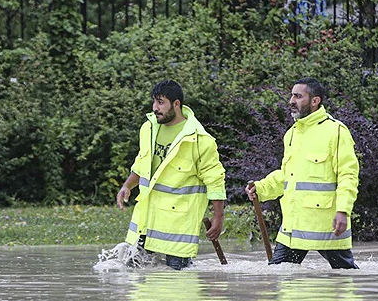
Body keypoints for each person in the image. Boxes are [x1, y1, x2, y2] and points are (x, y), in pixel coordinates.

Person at [245, 77, 360, 269]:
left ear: (315, 101)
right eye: (291, 95)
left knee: (345, 279)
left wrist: (343, 211)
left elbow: (348, 175)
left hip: (326, 226)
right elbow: (287, 175)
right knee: (278, 275)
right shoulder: (291, 134)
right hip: (293, 228)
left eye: (298, 96)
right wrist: (261, 188)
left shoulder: (336, 131)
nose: (291, 101)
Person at [116, 80, 226, 270]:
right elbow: (141, 164)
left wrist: (218, 216)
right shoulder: (148, 128)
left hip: (178, 228)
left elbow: (215, 181)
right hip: (146, 222)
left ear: (176, 104)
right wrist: (127, 186)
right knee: (133, 275)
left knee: (178, 284)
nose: (155, 108)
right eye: (154, 102)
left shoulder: (200, 139)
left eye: (160, 102)